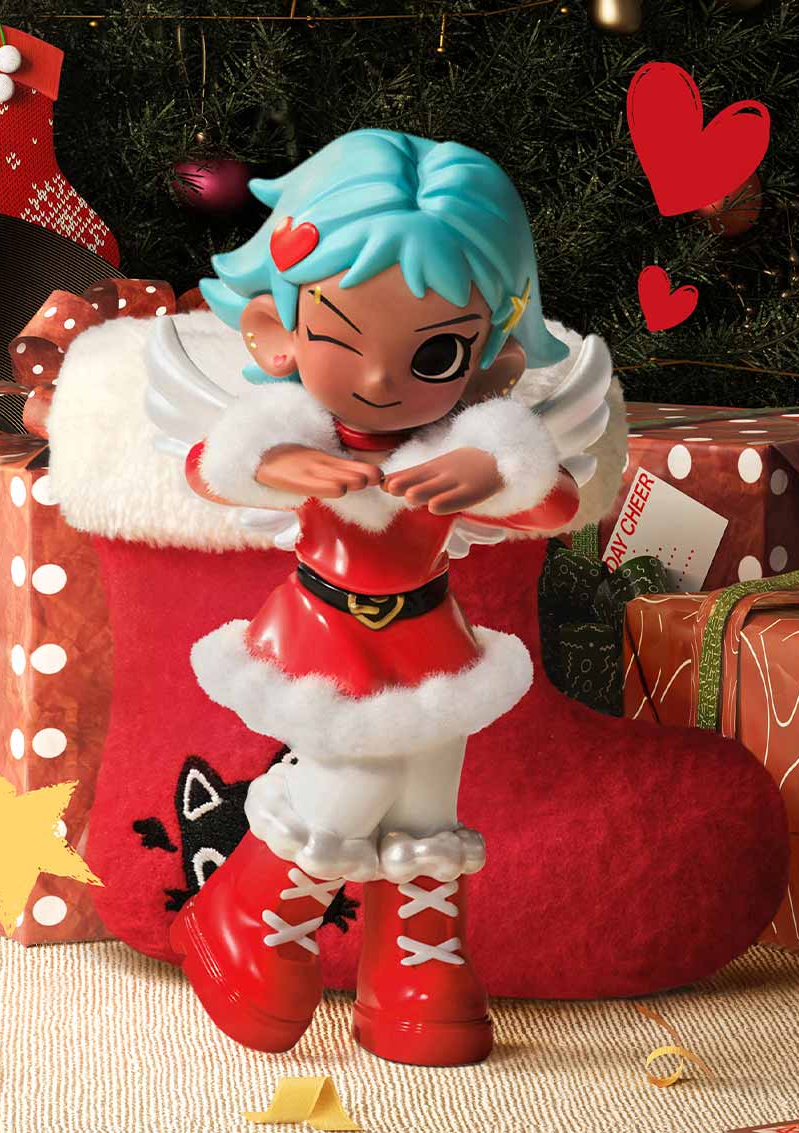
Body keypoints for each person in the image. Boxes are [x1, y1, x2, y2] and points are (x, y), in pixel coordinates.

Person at [146, 128, 616, 1065]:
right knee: (351, 777)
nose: (376, 379)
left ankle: (415, 960)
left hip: (430, 642)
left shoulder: (462, 449)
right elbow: (208, 466)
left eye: (434, 353)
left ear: (492, 362)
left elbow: (557, 502)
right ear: (275, 333)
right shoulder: (292, 430)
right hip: (321, 634)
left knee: (427, 797)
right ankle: (249, 912)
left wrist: (497, 466)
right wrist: (273, 460)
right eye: (339, 335)